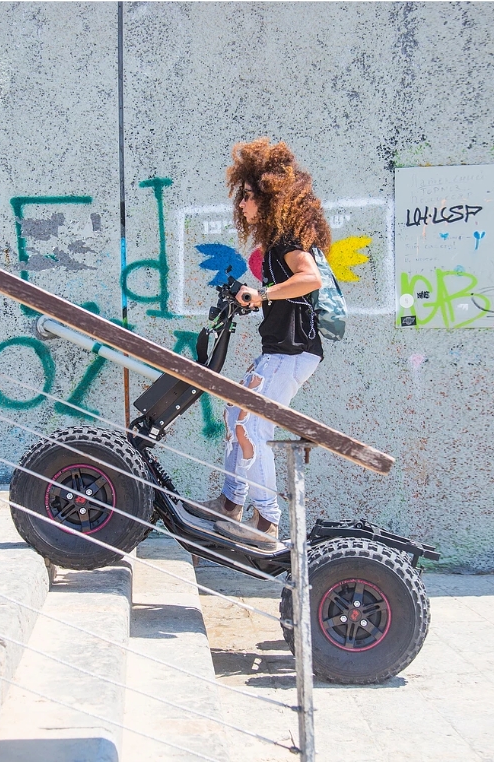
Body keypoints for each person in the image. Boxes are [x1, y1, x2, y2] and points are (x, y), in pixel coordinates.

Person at [207, 137, 330, 550]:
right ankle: (231, 503)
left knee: (251, 426)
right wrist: (253, 296)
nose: (241, 205)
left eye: (247, 196)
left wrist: (261, 294)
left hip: (292, 352)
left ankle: (266, 521)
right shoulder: (276, 242)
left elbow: (310, 278)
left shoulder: (288, 242)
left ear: (269, 197)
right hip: (279, 350)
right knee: (235, 414)